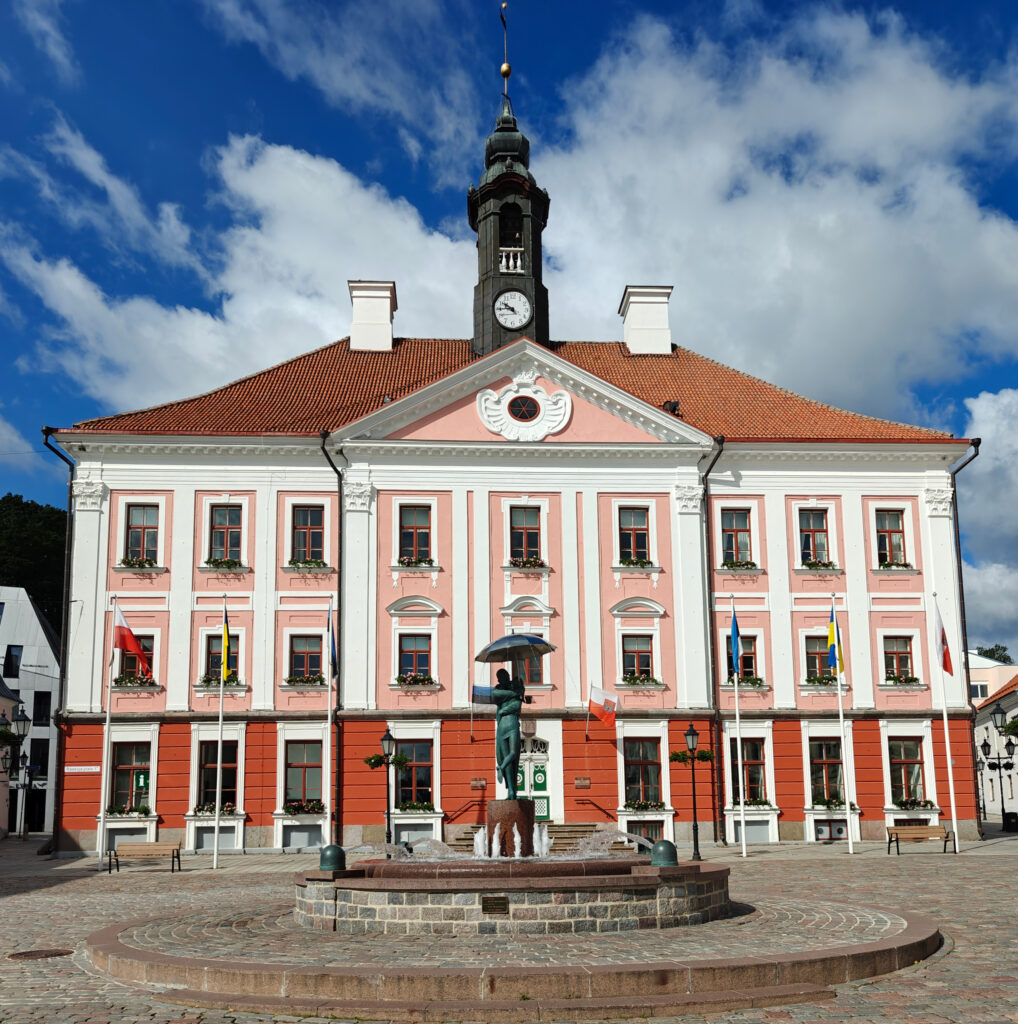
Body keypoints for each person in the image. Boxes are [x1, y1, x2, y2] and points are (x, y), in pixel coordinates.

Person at [492, 666, 531, 800]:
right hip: (507, 723)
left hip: (507, 723)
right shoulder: (511, 690)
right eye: (500, 678)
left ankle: (509, 786)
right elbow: (496, 696)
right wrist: (515, 694)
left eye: (504, 677)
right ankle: (511, 792)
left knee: (512, 756)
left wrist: (503, 710)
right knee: (510, 756)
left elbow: (516, 706)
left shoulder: (515, 687)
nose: (502, 680)